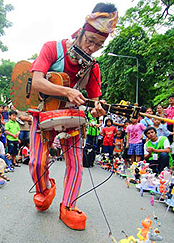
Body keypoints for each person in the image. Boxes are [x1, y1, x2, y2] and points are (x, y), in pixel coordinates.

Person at [28, 3, 116, 230]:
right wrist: (66, 91)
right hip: (43, 112)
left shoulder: (93, 67)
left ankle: (68, 206)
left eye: (99, 44)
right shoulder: (51, 48)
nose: (92, 47)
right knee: (37, 161)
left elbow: (96, 101)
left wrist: (97, 108)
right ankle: (45, 188)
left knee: (76, 164)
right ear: (81, 31)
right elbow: (37, 81)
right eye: (90, 40)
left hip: (72, 118)